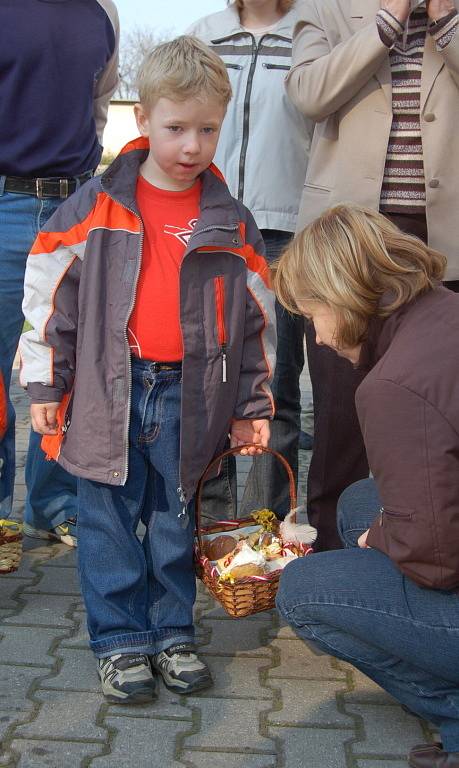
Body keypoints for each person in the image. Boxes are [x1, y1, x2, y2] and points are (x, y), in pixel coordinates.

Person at [19, 36, 276, 704]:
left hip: (192, 399)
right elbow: (48, 299)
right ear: (143, 121)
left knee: (172, 520)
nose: (191, 146)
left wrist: (251, 406)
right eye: (175, 128)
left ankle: (171, 634)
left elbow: (256, 322)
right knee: (105, 523)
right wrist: (46, 382)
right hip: (108, 391)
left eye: (207, 130)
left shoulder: (229, 220)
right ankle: (119, 642)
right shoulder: (94, 207)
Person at [274, 203, 459, 768]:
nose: (320, 340)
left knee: (304, 591)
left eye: (313, 316)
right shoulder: (444, 312)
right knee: (359, 501)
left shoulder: (394, 386)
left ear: (345, 295)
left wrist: (380, 540)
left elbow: (434, 561)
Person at [284, 0, 459, 549]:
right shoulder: (326, 6)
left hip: (444, 239)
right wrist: (387, 20)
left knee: (431, 400)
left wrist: (449, 23)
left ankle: (426, 544)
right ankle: (334, 550)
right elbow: (307, 94)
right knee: (339, 409)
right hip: (349, 244)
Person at [188, 0, 314, 520]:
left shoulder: (310, 32)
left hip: (284, 228)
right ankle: (214, 528)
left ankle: (264, 525)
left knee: (275, 384)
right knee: (207, 381)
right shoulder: (206, 34)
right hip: (210, 224)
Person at [0, 0, 119, 546]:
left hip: (76, 207)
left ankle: (51, 503)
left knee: (66, 362)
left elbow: (98, 104)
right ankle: (1, 515)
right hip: (7, 203)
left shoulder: (102, 10)